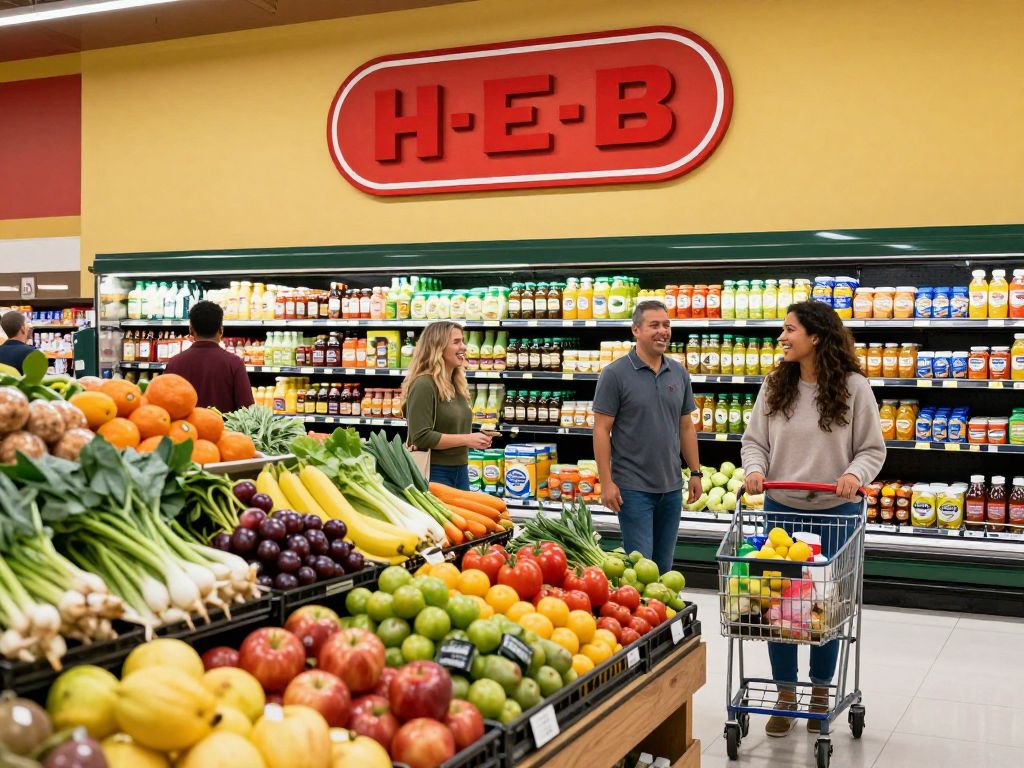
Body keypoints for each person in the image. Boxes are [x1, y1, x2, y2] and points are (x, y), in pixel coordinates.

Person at [741, 300, 885, 737]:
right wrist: (754, 470)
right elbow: (754, 442)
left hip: (837, 514)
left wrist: (852, 474)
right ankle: (786, 694)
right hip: (780, 512)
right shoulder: (774, 385)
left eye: (789, 330)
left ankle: (821, 691)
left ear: (816, 336)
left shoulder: (854, 387)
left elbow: (872, 449)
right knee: (777, 606)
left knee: (827, 608)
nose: (781, 337)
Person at [593, 300, 702, 574]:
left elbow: (686, 426)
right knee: (642, 569)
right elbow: (601, 430)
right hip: (633, 489)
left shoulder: (678, 372)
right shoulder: (614, 374)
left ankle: (660, 617)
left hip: (671, 487)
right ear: (636, 330)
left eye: (666, 325)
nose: (662, 331)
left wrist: (696, 472)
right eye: (654, 325)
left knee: (664, 568)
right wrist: (606, 482)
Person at [402, 321, 490, 490]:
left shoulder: (456, 385)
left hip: (461, 470)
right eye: (456, 342)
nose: (464, 347)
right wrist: (467, 439)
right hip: (434, 471)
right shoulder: (424, 384)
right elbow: (421, 436)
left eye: (463, 341)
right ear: (437, 347)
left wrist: (478, 439)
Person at [164, 300, 254, 413]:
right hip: (223, 430)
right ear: (221, 330)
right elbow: (247, 410)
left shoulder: (174, 363)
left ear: (190, 329)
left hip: (185, 429)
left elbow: (165, 405)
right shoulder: (234, 363)